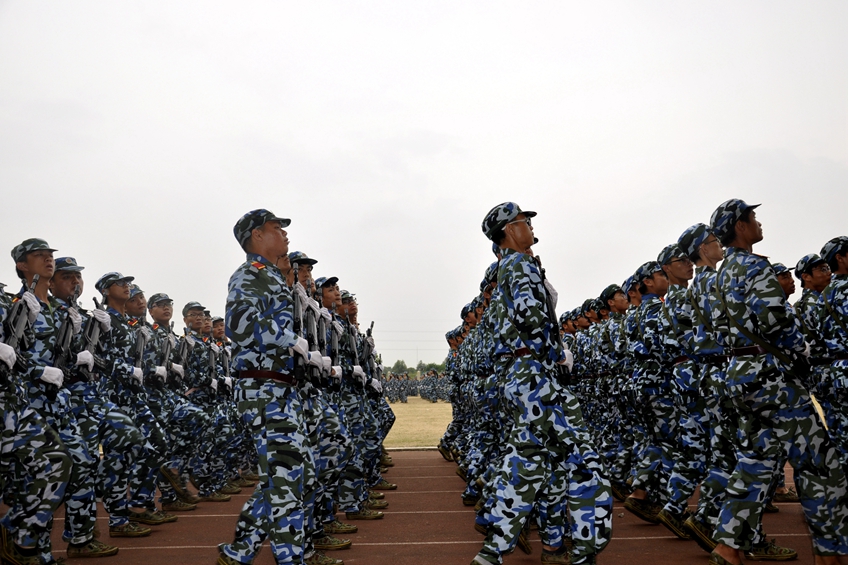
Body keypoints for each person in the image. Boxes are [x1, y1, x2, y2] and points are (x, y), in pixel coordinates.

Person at [708, 199, 848, 565]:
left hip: (740, 375)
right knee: (821, 465)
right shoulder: (755, 267)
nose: (758, 223)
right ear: (740, 226)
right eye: (752, 218)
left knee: (755, 461)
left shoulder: (720, 274)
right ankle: (832, 553)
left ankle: (728, 546)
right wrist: (799, 351)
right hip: (772, 376)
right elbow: (775, 320)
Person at [472, 202, 612, 565]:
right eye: (523, 221)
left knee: (530, 466)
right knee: (584, 461)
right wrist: (556, 352)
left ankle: (492, 549)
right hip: (536, 375)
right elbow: (532, 319)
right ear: (509, 230)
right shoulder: (518, 264)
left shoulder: (507, 266)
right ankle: (584, 550)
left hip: (522, 377)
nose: (530, 227)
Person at [218, 209, 316, 565]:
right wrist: (286, 339)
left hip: (281, 390)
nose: (285, 235)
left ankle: (241, 550)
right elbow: (239, 326)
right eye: (278, 228)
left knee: (295, 472)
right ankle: (290, 559)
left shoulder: (272, 277)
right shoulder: (249, 275)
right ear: (257, 235)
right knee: (288, 476)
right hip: (263, 391)